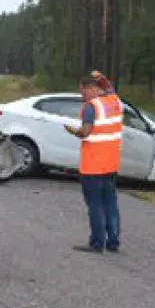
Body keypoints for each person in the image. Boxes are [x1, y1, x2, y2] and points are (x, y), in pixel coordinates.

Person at [64, 70, 122, 253]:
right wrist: (103, 78)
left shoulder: (92, 107)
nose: (82, 96)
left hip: (93, 166)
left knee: (95, 205)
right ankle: (113, 242)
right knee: (110, 203)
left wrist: (74, 131)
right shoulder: (115, 102)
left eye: (83, 92)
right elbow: (109, 87)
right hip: (111, 164)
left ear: (91, 89)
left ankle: (97, 243)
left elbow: (86, 131)